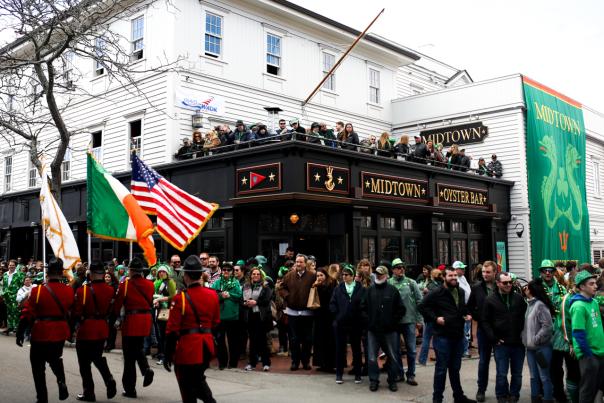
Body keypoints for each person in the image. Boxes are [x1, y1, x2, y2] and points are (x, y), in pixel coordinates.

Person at [16, 258, 74, 403]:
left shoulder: (38, 290)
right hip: (60, 331)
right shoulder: (68, 291)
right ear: (61, 273)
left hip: (41, 331)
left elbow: (27, 312)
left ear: (47, 273)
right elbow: (72, 313)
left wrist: (20, 331)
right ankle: (61, 380)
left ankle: (42, 398)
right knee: (55, 358)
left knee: (38, 366)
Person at [163, 255, 220, 403]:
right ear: (200, 274)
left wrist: (167, 354)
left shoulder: (180, 298)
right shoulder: (213, 295)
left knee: (188, 386)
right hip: (207, 347)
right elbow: (215, 323)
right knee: (197, 379)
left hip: (188, 349)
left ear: (186, 275)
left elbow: (172, 331)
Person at [419, 267, 475, 403]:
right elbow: (422, 306)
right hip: (442, 336)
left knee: (455, 369)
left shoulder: (460, 291)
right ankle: (437, 399)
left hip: (458, 335)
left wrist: (466, 314)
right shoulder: (437, 292)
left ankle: (458, 396)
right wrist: (435, 318)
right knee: (441, 370)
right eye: (450, 276)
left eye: (455, 275)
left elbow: (461, 308)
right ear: (444, 277)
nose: (454, 278)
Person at [72, 261, 117, 402]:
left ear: (90, 274)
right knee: (96, 356)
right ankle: (108, 377)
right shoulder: (110, 290)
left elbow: (77, 313)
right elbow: (112, 310)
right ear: (103, 274)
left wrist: (73, 327)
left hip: (86, 329)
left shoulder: (82, 290)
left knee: (84, 364)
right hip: (102, 328)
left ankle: (89, 392)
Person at [113, 257, 155, 398]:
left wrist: (115, 318)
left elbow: (118, 305)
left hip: (132, 321)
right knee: (137, 348)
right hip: (145, 321)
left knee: (129, 357)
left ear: (130, 270)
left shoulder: (125, 285)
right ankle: (146, 369)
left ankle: (130, 389)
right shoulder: (150, 284)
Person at [482, 272, 527, 403]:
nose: (508, 285)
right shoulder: (490, 300)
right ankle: (501, 395)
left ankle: (514, 395)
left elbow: (526, 316)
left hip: (518, 343)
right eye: (505, 283)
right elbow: (485, 321)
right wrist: (493, 338)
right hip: (501, 343)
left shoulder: (518, 298)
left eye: (510, 282)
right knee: (501, 373)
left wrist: (524, 336)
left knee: (517, 373)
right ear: (498, 283)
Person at [365, 266, 405, 392]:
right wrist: (368, 322)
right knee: (371, 357)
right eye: (377, 273)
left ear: (386, 275)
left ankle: (392, 380)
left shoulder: (393, 290)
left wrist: (392, 322)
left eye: (381, 274)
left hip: (390, 331)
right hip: (373, 330)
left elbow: (401, 309)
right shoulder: (370, 290)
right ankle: (373, 380)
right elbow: (362, 308)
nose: (378, 276)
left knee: (392, 356)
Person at [569, 270, 604, 403]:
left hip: (600, 352)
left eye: (595, 283)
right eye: (591, 284)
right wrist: (588, 355)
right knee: (587, 390)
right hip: (589, 354)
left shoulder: (594, 302)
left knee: (596, 387)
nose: (595, 286)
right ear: (582, 287)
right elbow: (578, 333)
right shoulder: (578, 306)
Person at [539, 259, 570, 403]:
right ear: (541, 272)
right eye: (544, 270)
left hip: (559, 333)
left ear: (553, 272)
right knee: (545, 365)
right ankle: (544, 391)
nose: (547, 273)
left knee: (559, 366)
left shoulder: (562, 289)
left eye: (550, 270)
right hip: (543, 333)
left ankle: (560, 392)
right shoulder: (537, 288)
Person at [466, 260, 498, 402]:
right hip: (483, 330)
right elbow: (470, 307)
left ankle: (502, 389)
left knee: (501, 360)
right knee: (483, 361)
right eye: (484, 272)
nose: (485, 274)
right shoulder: (477, 288)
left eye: (488, 272)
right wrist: (478, 316)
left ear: (495, 272)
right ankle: (481, 389)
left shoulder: (502, 285)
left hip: (500, 329)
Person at [279, 254, 316, 371]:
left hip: (307, 312)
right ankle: (295, 362)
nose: (298, 264)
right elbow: (282, 288)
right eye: (297, 262)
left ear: (305, 263)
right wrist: (288, 296)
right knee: (294, 339)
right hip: (292, 312)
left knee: (307, 339)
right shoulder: (289, 276)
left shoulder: (312, 276)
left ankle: (305, 362)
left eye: (300, 262)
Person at [330, 264, 367, 384]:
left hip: (356, 323)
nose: (344, 277)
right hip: (341, 323)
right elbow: (332, 303)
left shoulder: (360, 288)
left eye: (346, 275)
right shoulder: (338, 288)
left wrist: (361, 316)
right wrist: (337, 316)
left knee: (356, 349)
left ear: (352, 276)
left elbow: (364, 304)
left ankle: (358, 374)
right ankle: (339, 374)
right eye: (343, 275)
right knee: (340, 349)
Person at [388, 258, 422, 386]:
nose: (401, 269)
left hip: (409, 320)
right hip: (394, 322)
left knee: (412, 349)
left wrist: (419, 320)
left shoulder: (411, 283)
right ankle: (399, 373)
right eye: (398, 267)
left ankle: (411, 374)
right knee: (395, 350)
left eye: (403, 267)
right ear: (392, 270)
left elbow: (419, 301)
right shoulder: (388, 283)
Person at [522, 279, 555, 403]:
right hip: (530, 349)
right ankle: (535, 398)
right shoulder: (529, 304)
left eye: (526, 287)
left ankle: (547, 399)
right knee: (533, 376)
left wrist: (536, 339)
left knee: (544, 376)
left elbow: (547, 326)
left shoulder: (540, 305)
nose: (524, 290)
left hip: (542, 348)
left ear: (530, 290)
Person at [211, 262, 242, 370]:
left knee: (233, 341)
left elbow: (239, 296)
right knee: (220, 341)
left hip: (233, 316)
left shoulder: (236, 282)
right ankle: (222, 363)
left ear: (232, 272)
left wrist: (230, 295)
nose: (226, 272)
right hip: (220, 316)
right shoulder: (217, 282)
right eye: (224, 270)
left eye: (228, 270)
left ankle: (233, 363)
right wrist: (220, 296)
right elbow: (211, 295)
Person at [242, 267, 273, 371]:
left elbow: (266, 300)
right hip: (250, 316)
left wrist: (256, 302)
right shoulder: (245, 286)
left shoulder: (266, 286)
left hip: (261, 317)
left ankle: (266, 363)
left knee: (262, 341)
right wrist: (245, 303)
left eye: (257, 274)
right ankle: (252, 363)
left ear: (261, 276)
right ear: (250, 275)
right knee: (252, 342)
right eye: (253, 274)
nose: (255, 276)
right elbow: (241, 299)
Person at [418, 267, 445, 365]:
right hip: (439, 316)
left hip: (430, 317)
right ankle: (439, 358)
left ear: (432, 276)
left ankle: (422, 360)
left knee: (426, 339)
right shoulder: (443, 286)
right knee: (438, 339)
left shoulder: (429, 286)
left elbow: (423, 304)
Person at [312, 268, 337, 372]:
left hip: (329, 316)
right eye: (317, 276)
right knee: (319, 340)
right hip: (319, 316)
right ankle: (321, 363)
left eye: (321, 275)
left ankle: (330, 365)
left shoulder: (331, 285)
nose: (319, 278)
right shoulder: (316, 286)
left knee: (329, 341)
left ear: (326, 276)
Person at [153, 266, 177, 365]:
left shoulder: (170, 282)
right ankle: (161, 353)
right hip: (158, 310)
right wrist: (155, 301)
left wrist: (160, 299)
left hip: (167, 310)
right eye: (160, 272)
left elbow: (173, 296)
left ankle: (166, 356)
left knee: (166, 335)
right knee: (159, 335)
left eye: (163, 271)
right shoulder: (156, 282)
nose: (161, 273)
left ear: (167, 273)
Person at [453, 261, 472, 358]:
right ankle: (463, 350)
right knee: (463, 331)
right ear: (456, 269)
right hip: (461, 309)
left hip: (468, 308)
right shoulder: (454, 280)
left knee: (467, 331)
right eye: (462, 268)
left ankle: (465, 349)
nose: (464, 270)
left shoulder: (463, 278)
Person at [3, 259, 25, 334]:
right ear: (8, 266)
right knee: (9, 312)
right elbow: (4, 285)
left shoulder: (20, 274)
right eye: (10, 265)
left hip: (16, 295)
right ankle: (10, 327)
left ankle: (16, 327)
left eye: (13, 265)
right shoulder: (5, 274)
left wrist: (20, 295)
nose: (11, 266)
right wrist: (3, 293)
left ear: (15, 266)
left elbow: (22, 285)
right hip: (7, 295)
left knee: (16, 311)